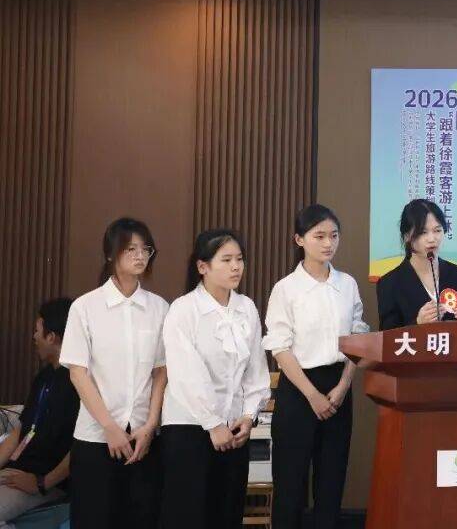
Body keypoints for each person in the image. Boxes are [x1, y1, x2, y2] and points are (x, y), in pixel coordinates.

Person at [262, 204, 368, 529]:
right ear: (299, 239)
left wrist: (344, 386)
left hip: (338, 387)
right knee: (291, 484)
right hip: (299, 389)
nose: (328, 243)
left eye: (334, 236)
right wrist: (312, 395)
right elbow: (280, 348)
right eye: (319, 236)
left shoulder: (347, 284)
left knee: (331, 482)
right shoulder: (286, 288)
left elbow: (357, 337)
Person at [60, 217, 170, 528]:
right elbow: (78, 373)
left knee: (142, 518)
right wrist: (109, 426)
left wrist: (151, 424)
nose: (140, 255)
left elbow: (161, 372)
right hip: (96, 438)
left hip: (143, 439)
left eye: (145, 249)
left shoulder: (159, 308)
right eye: (130, 249)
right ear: (111, 254)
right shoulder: (85, 307)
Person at [158, 229, 271, 529]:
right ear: (202, 266)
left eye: (240, 259)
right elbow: (186, 374)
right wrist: (213, 423)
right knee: (189, 516)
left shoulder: (246, 308)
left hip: (234, 429)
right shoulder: (184, 309)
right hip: (190, 426)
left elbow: (256, 369)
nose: (236, 267)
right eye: (226, 260)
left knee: (227, 513)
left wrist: (248, 416)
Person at [0, 298, 79, 526]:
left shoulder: (79, 382)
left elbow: (80, 448)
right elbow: (20, 431)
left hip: (46, 481)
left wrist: (42, 483)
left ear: (51, 337)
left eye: (37, 331)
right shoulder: (43, 377)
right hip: (17, 471)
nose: (34, 337)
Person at [376, 199, 457, 330]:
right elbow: (387, 336)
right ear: (407, 236)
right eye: (423, 232)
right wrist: (417, 323)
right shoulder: (389, 283)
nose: (432, 239)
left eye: (437, 230)